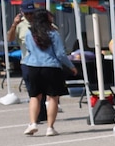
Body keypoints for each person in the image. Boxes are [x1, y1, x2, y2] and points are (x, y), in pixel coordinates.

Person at [17, 8, 74, 136]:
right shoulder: (53, 34)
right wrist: (71, 66)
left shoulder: (29, 34)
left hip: (32, 65)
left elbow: (29, 50)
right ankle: (50, 127)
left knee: (34, 96)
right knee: (53, 97)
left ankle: (33, 123)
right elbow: (60, 54)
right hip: (51, 66)